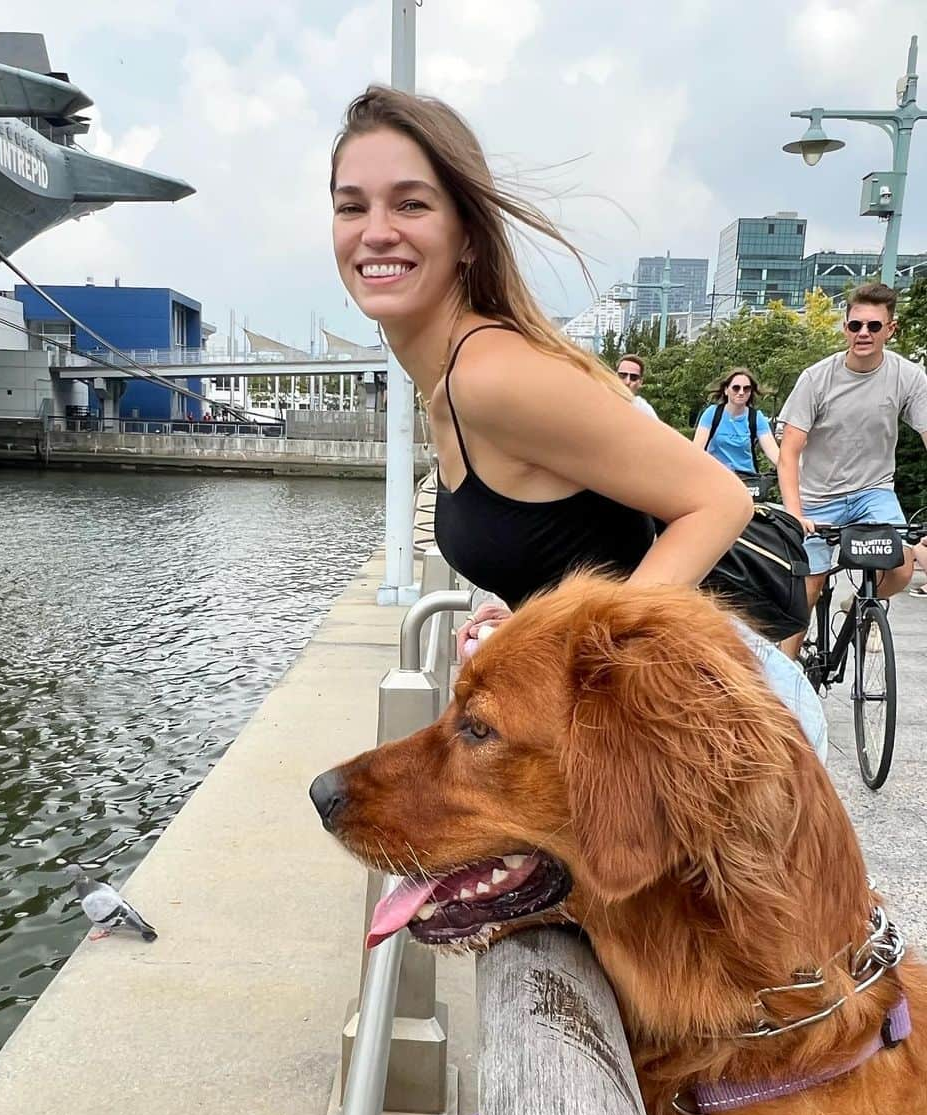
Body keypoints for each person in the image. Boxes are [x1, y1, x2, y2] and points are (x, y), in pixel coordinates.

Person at [330, 85, 827, 758]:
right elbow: (587, 545)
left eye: (410, 203)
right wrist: (530, 617)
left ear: (468, 234)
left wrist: (571, 649)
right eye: (351, 206)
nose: (376, 229)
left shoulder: (491, 376)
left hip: (717, 724)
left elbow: (719, 499)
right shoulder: (448, 380)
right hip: (653, 713)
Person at [777, 281, 927, 655]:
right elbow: (789, 452)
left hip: (872, 492)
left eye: (873, 326)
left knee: (902, 565)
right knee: (808, 587)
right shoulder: (816, 378)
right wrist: (796, 515)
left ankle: (861, 603)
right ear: (845, 327)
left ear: (890, 330)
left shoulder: (908, 377)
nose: (863, 333)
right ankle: (783, 686)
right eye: (855, 325)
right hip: (818, 496)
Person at [693, 368, 780, 474]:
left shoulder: (756, 417)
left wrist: (790, 470)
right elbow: (697, 449)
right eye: (736, 388)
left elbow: (773, 452)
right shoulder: (712, 413)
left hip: (747, 479)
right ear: (726, 390)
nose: (741, 392)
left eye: (746, 388)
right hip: (716, 476)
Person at [616, 354, 659, 419]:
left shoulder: (644, 410)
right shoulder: (601, 402)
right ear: (615, 376)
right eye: (623, 375)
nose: (627, 382)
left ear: (640, 382)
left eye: (633, 377)